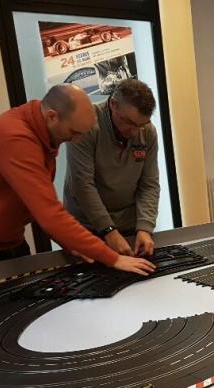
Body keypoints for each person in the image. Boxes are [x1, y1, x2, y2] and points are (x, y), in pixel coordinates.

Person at [0, 85, 154, 275]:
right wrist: (113, 258)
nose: (76, 139)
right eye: (74, 132)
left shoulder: (42, 134)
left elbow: (36, 206)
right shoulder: (16, 140)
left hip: (10, 239)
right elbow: (49, 212)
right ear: (52, 116)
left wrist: (70, 241)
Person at [64, 78, 159, 257]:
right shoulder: (86, 125)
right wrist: (109, 231)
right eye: (129, 122)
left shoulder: (147, 132)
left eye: (141, 125)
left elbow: (149, 184)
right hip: (87, 226)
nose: (135, 131)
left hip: (128, 226)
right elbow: (82, 185)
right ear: (113, 104)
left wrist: (145, 227)